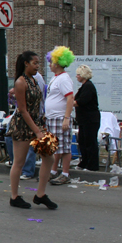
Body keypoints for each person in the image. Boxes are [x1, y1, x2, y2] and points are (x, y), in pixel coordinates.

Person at [7, 51, 57, 210]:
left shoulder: (34, 81)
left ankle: (40, 194)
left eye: (38, 63)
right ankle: (14, 196)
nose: (37, 66)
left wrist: (40, 126)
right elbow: (22, 109)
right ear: (26, 63)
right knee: (19, 162)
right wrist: (37, 131)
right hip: (22, 126)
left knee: (49, 157)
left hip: (36, 123)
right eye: (35, 63)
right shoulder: (20, 82)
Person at [44, 46, 76, 186]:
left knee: (64, 147)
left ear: (57, 63)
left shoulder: (64, 79)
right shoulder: (55, 78)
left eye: (51, 62)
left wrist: (66, 118)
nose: (50, 65)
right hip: (52, 117)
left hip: (60, 117)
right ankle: (53, 171)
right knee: (55, 146)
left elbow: (70, 98)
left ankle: (65, 173)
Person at [73, 65, 101, 172]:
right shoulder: (84, 87)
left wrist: (70, 103)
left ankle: (92, 165)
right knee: (83, 141)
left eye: (78, 74)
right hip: (84, 119)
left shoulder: (88, 87)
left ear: (83, 75)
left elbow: (82, 101)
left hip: (90, 119)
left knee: (90, 142)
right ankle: (84, 162)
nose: (76, 76)